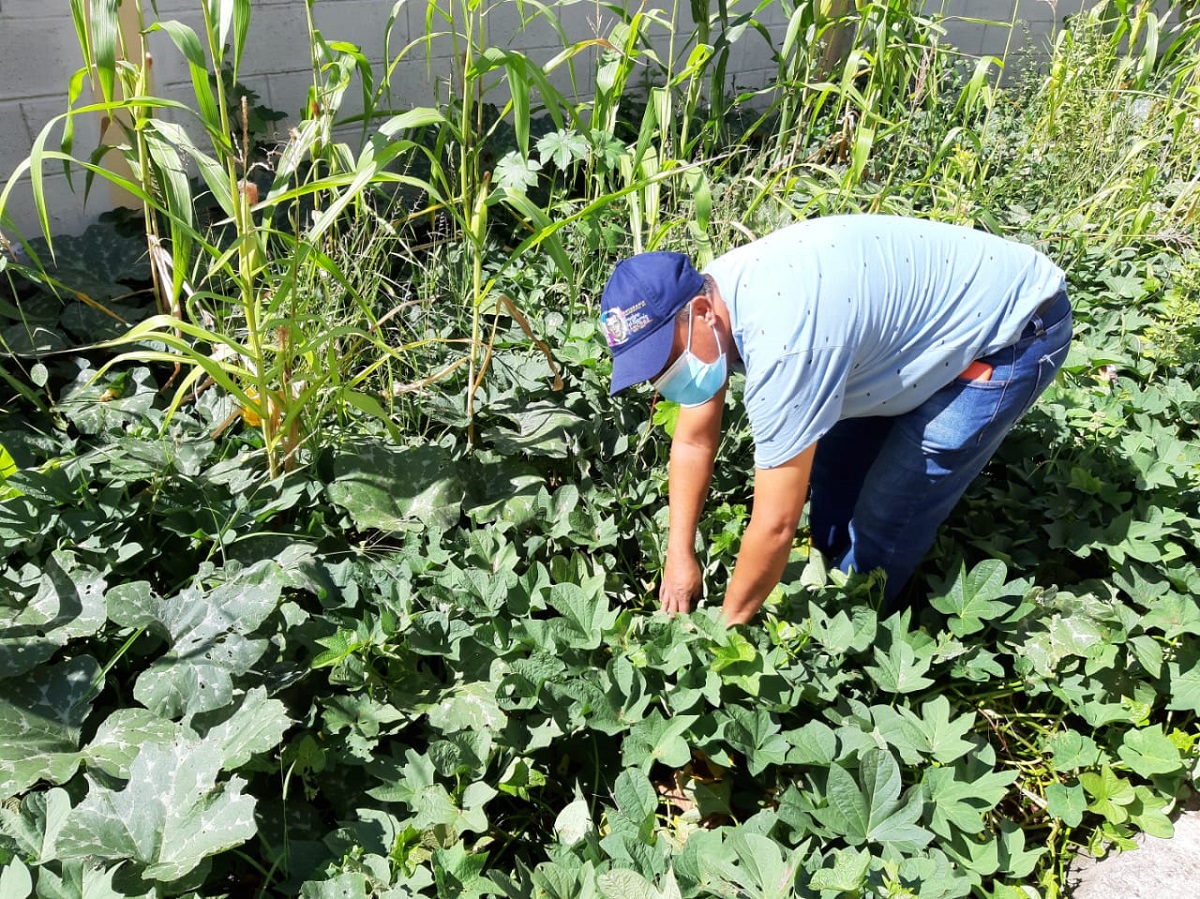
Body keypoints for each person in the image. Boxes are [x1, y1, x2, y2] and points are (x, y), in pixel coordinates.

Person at [599, 214, 1072, 624]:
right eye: (651, 370)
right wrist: (678, 554)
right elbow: (693, 442)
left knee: (889, 513)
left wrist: (726, 637)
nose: (663, 379)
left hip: (1012, 330)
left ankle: (854, 630)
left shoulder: (783, 341)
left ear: (702, 312)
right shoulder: (712, 304)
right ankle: (830, 576)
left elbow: (775, 525)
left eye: (666, 361)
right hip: (892, 331)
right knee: (835, 473)